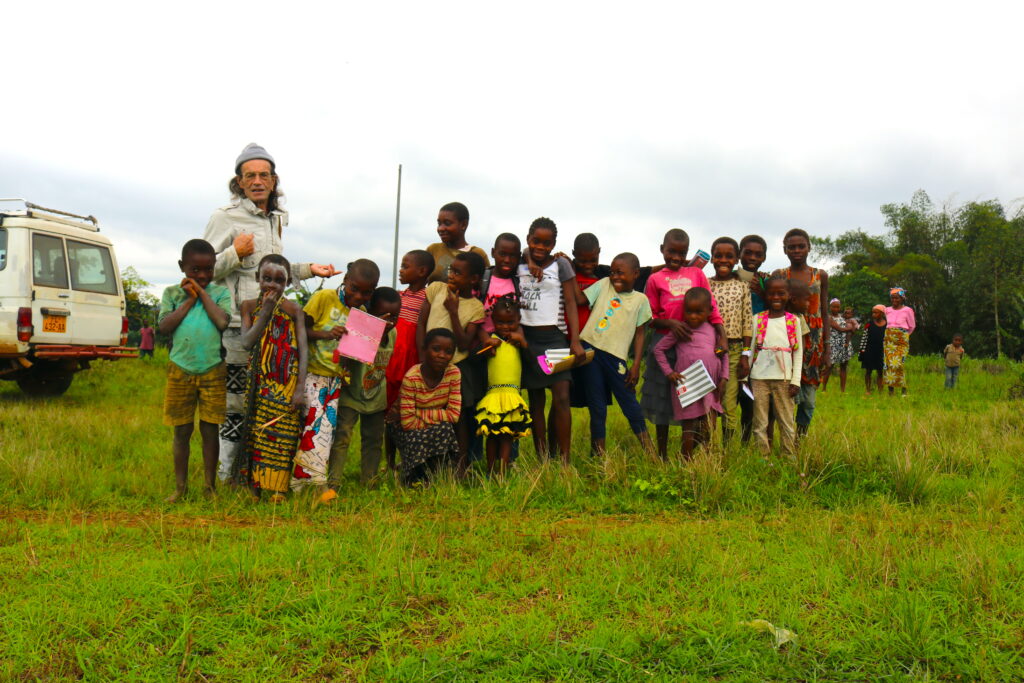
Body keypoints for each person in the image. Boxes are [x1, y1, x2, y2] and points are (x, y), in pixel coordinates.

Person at [204, 143, 337, 482]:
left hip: (275, 330)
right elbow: (204, 269)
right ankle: (225, 476)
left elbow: (273, 269)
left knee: (267, 399)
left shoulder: (275, 219)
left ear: (274, 180)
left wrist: (310, 269)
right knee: (235, 405)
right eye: (251, 176)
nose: (258, 181)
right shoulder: (225, 217)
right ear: (239, 182)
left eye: (264, 175)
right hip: (239, 327)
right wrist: (234, 251)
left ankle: (256, 473)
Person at [292, 260, 378, 499]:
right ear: (345, 280)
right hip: (311, 374)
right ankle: (313, 485)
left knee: (324, 431)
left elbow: (355, 354)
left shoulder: (361, 315)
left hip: (335, 380)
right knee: (312, 429)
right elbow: (300, 330)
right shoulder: (324, 297)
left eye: (366, 292)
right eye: (354, 289)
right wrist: (326, 334)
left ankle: (304, 484)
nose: (359, 295)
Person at [157, 239, 232, 502]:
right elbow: (165, 327)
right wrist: (189, 300)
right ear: (182, 267)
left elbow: (222, 322)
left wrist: (201, 293)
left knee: (211, 430)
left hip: (213, 370)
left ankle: (209, 488)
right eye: (195, 270)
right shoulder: (171, 294)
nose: (202, 275)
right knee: (181, 431)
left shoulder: (220, 293)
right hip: (180, 370)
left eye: (208, 270)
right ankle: (180, 488)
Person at [642, 228, 726, 460]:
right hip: (665, 340)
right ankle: (662, 454)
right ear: (662, 249)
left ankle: (692, 449)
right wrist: (670, 323)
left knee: (696, 395)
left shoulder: (696, 274)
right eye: (671, 252)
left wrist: (721, 334)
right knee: (662, 398)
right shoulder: (655, 279)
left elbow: (712, 306)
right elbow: (649, 317)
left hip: (695, 341)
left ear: (688, 252)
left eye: (682, 253)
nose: (676, 258)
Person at [235, 254, 309, 502]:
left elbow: (304, 349)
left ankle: (278, 488)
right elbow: (246, 342)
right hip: (259, 383)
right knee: (257, 435)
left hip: (286, 382)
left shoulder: (293, 309)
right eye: (267, 278)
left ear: (287, 284)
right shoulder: (248, 306)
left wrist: (300, 389)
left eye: (279, 280)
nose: (272, 285)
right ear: (257, 278)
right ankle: (255, 486)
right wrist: (265, 312)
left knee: (283, 436)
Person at [517, 217, 584, 463]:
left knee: (562, 396)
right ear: (528, 239)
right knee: (536, 401)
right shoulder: (520, 263)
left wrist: (574, 340)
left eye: (547, 243)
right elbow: (522, 251)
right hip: (528, 339)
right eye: (536, 241)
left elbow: (570, 303)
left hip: (554, 338)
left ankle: (564, 460)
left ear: (554, 243)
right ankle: (542, 458)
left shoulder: (561, 265)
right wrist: (530, 259)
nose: (541, 247)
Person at [578, 253, 656, 457]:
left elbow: (641, 334)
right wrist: (566, 267)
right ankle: (598, 457)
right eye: (612, 272)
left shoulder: (641, 300)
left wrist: (636, 365)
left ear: (636, 274)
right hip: (591, 351)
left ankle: (651, 454)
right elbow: (579, 298)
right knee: (597, 407)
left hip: (616, 358)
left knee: (630, 404)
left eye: (620, 273)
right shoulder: (604, 284)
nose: (615, 277)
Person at [417, 251, 486, 474]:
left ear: (474, 279)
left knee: (460, 417)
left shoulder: (475, 307)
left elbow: (465, 343)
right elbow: (421, 323)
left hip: (457, 368)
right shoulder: (437, 289)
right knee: (430, 413)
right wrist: (421, 358)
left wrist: (454, 312)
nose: (452, 275)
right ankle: (429, 463)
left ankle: (460, 465)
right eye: (451, 270)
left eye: (458, 272)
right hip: (429, 365)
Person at [332, 287, 401, 486]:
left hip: (377, 395)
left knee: (373, 440)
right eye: (383, 315)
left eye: (394, 316)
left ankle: (369, 480)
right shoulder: (359, 330)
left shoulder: (394, 333)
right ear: (370, 312)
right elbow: (346, 359)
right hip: (351, 395)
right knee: (342, 437)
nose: (389, 321)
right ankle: (333, 481)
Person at [653, 287, 729, 458]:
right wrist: (669, 372)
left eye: (698, 312)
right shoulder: (681, 330)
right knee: (689, 427)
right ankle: (685, 462)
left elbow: (724, 355)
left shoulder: (713, 331)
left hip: (711, 384)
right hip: (689, 384)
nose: (693, 316)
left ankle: (706, 462)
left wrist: (724, 377)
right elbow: (658, 350)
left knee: (709, 426)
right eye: (689, 312)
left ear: (709, 311)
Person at [774, 229, 828, 434]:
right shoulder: (779, 275)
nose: (797, 250)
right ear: (785, 250)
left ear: (809, 247)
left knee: (808, 399)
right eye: (792, 247)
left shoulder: (820, 275)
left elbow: (824, 311)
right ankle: (786, 436)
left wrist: (828, 348)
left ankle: (800, 438)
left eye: (801, 246)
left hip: (814, 341)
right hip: (785, 338)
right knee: (785, 391)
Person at [384, 250, 434, 470]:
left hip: (411, 363)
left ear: (422, 271)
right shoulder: (398, 296)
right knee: (388, 414)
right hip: (391, 362)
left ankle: (407, 461)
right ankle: (388, 461)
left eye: (405, 266)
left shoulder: (427, 298)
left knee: (406, 413)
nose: (401, 270)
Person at [395, 328, 462, 486]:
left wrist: (418, 413)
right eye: (436, 349)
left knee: (445, 429)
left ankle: (437, 475)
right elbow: (407, 423)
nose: (441, 355)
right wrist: (434, 418)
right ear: (424, 350)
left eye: (448, 351)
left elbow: (453, 415)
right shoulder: (412, 378)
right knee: (419, 435)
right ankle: (413, 477)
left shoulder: (454, 373)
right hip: (404, 428)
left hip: (426, 423)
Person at [476, 296, 531, 473]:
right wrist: (486, 348)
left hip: (512, 396)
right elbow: (475, 358)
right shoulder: (490, 341)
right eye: (500, 322)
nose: (505, 327)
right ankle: (490, 469)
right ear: (492, 321)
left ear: (519, 321)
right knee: (491, 435)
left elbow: (532, 364)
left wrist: (523, 343)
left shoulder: (518, 342)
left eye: (510, 322)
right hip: (492, 396)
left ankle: (502, 470)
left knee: (507, 436)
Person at [749, 276, 802, 456]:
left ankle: (788, 456)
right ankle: (763, 457)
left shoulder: (793, 321)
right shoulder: (758, 319)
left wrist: (796, 380)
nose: (776, 297)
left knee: (786, 420)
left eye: (781, 293)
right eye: (771, 293)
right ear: (765, 295)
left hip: (785, 379)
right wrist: (745, 377)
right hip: (759, 378)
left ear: (789, 295)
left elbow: (798, 352)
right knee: (760, 422)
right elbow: (751, 349)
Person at [707, 237, 752, 442]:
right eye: (718, 255)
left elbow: (747, 322)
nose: (723, 260)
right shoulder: (705, 284)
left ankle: (726, 450)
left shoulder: (742, 285)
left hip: (733, 350)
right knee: (706, 396)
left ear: (736, 260)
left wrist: (745, 355)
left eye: (729, 256)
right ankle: (706, 444)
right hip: (707, 348)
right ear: (712, 258)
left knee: (729, 399)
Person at [735, 234, 770, 444]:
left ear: (764, 257)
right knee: (730, 395)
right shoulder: (729, 276)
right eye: (748, 252)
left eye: (758, 254)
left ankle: (745, 441)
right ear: (739, 254)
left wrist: (761, 291)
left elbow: (777, 307)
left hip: (758, 348)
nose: (752, 257)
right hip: (732, 343)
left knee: (750, 398)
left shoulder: (767, 281)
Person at [425, 202, 490, 283]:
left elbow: (484, 286)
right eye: (439, 223)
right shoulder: (433, 250)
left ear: (463, 224)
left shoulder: (477, 254)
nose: (440, 228)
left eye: (447, 223)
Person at [884, 287, 916, 397]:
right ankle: (891, 390)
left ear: (902, 298)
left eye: (896, 298)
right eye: (892, 298)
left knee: (899, 364)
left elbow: (912, 326)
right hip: (889, 340)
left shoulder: (908, 310)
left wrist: (903, 336)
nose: (894, 300)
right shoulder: (887, 310)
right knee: (889, 364)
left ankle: (903, 389)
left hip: (902, 339)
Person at [821, 299, 855, 393]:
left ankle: (842, 390)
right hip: (833, 344)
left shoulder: (842, 317)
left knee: (843, 366)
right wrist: (849, 328)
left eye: (838, 307)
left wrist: (850, 328)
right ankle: (824, 388)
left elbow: (852, 328)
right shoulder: (828, 317)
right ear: (830, 307)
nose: (836, 308)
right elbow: (840, 329)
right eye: (834, 306)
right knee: (829, 366)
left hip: (844, 344)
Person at [858, 305, 887, 395]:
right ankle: (868, 390)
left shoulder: (888, 324)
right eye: (873, 312)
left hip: (881, 351)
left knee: (880, 371)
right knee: (868, 371)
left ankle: (880, 390)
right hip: (869, 351)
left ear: (882, 314)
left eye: (876, 312)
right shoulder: (869, 324)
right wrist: (862, 351)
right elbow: (864, 338)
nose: (873, 314)